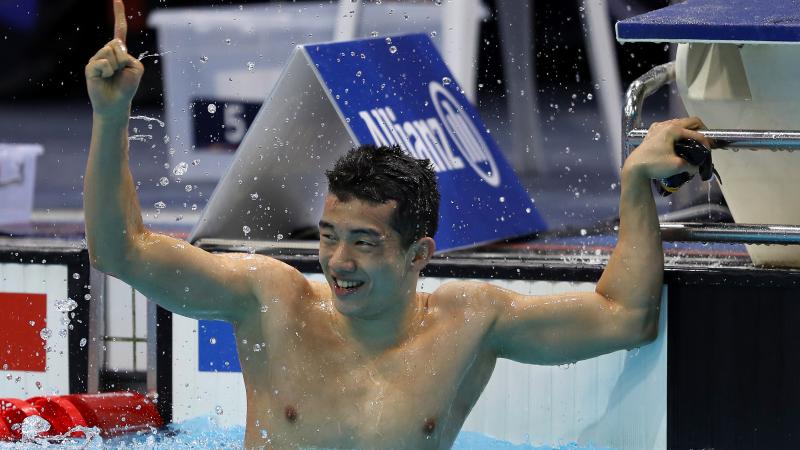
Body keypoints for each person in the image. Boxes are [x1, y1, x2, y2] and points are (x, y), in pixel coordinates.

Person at [84, 1, 711, 448]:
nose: (337, 262)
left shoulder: (468, 322)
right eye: (329, 236)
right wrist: (111, 118)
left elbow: (625, 317)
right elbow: (123, 253)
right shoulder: (270, 301)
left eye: (364, 243)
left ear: (418, 255)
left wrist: (634, 184)